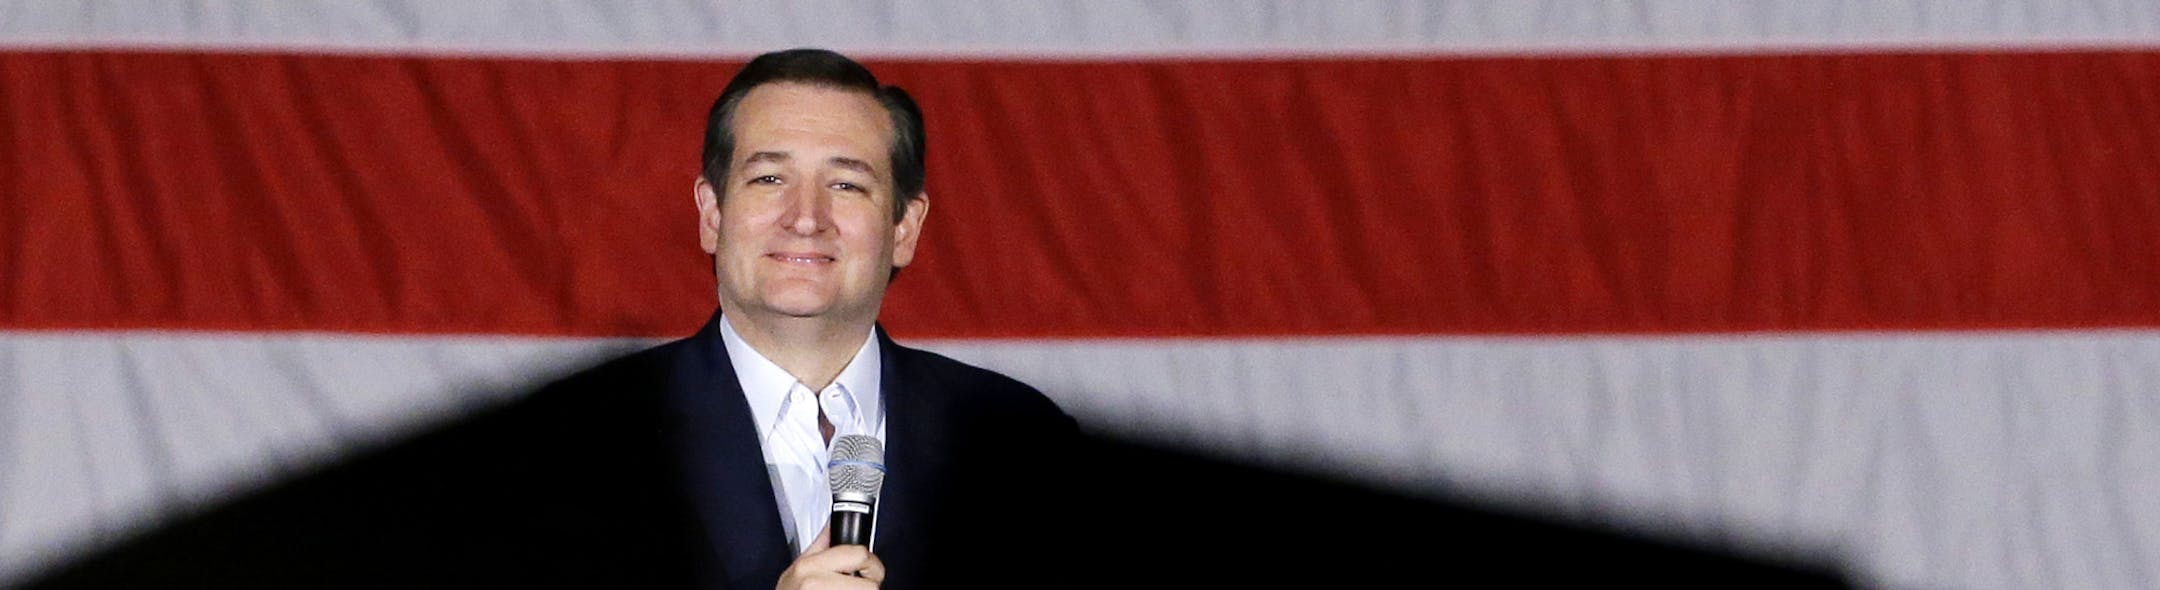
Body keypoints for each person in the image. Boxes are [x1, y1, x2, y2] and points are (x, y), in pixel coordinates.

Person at [22, 48, 1080, 590]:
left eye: (848, 182)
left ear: (905, 226)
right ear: (711, 213)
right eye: (768, 178)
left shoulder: (1023, 444)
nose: (805, 217)